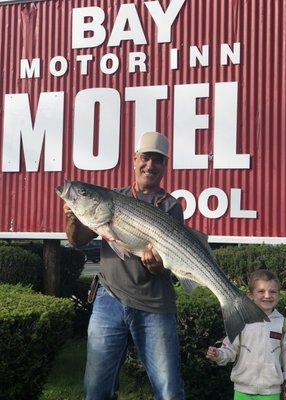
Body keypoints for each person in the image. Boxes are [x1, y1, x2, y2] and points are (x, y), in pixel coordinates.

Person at [64, 131, 186, 400]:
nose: (150, 166)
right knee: (95, 388)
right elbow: (78, 240)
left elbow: (165, 266)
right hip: (110, 299)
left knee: (169, 391)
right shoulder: (111, 198)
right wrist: (74, 216)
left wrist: (156, 266)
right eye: (145, 158)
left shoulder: (170, 206)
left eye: (158, 160)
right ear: (134, 160)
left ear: (165, 166)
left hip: (155, 305)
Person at [206, 269, 286, 400]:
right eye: (261, 291)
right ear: (251, 295)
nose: (267, 295)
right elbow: (230, 350)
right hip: (242, 391)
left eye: (273, 291)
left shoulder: (282, 323)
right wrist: (219, 354)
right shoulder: (241, 320)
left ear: (278, 295)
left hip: (271, 392)